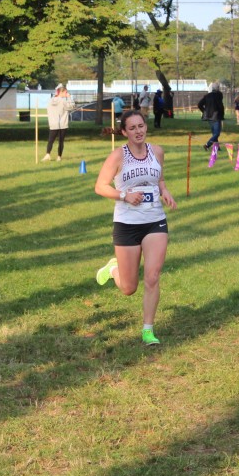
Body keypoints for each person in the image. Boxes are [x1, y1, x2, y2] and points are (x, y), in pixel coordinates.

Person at [93, 110, 177, 346]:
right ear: (124, 132)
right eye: (132, 128)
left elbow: (159, 178)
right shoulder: (118, 156)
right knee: (129, 288)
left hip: (154, 221)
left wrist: (165, 191)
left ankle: (148, 330)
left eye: (141, 126)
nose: (138, 131)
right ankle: (113, 269)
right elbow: (100, 186)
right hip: (127, 224)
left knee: (152, 277)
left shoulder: (157, 151)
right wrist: (124, 195)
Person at [42, 84, 75, 162]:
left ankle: (47, 154)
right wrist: (69, 97)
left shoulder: (50, 100)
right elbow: (72, 106)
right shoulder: (63, 101)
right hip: (62, 124)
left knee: (50, 140)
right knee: (61, 141)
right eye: (66, 92)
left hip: (53, 123)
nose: (66, 93)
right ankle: (59, 156)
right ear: (61, 92)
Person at [197, 82, 224, 151]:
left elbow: (199, 104)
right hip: (216, 116)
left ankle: (217, 147)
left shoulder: (207, 96)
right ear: (218, 88)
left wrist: (204, 111)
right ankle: (207, 145)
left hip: (208, 116)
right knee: (217, 133)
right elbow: (220, 105)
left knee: (214, 133)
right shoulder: (219, 95)